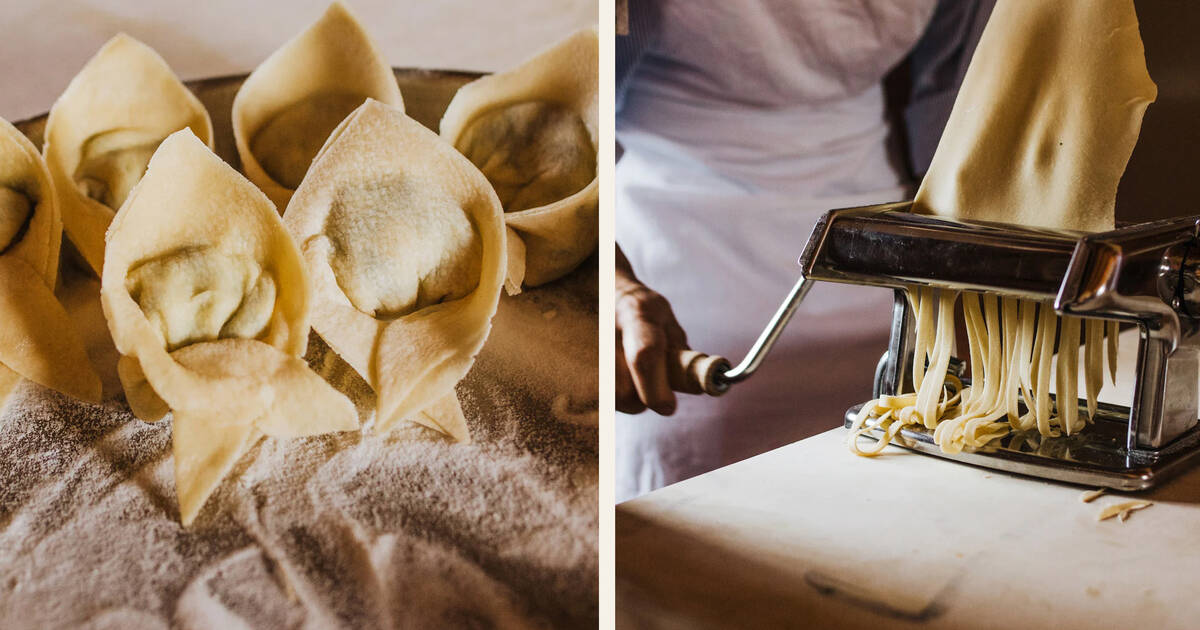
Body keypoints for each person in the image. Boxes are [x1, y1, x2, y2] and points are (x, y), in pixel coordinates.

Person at [615, 0, 996, 501]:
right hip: (691, 321)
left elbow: (954, 104)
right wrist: (616, 288)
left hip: (900, 315)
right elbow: (583, 119)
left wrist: (965, 276)